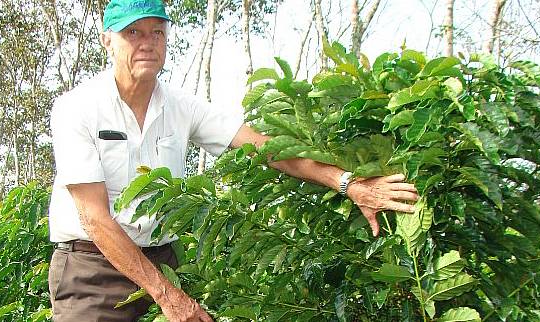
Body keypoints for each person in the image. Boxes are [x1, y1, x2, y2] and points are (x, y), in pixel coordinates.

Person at [47, 0, 419, 321]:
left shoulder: (181, 106)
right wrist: (167, 296)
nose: (147, 43)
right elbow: (94, 219)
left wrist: (347, 183)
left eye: (156, 33)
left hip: (163, 261)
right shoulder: (77, 108)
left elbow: (264, 148)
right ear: (107, 41)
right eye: (133, 33)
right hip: (92, 268)